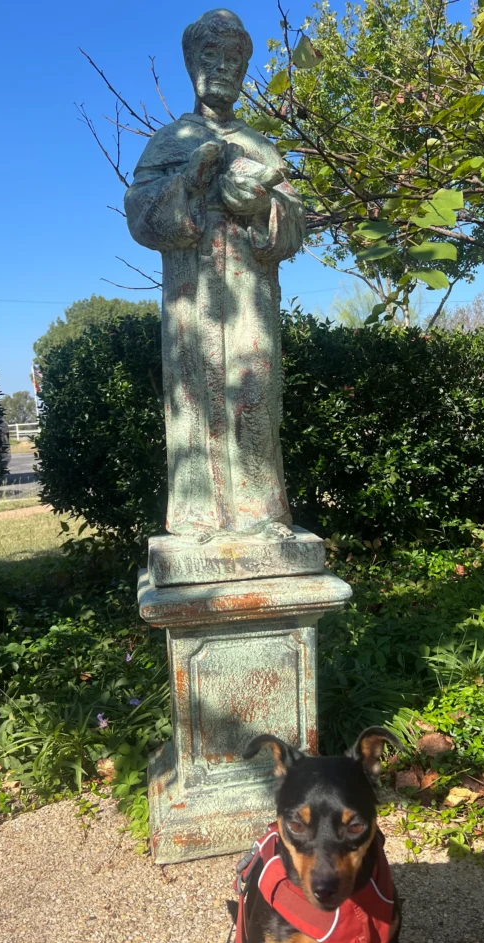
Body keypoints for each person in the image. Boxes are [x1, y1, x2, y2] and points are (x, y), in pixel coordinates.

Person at [125, 9, 305, 544]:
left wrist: (262, 207)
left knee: (254, 391)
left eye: (235, 58)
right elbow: (141, 215)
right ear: (190, 63)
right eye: (212, 56)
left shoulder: (261, 145)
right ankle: (198, 516)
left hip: (251, 299)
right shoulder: (170, 139)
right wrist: (190, 179)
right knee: (194, 395)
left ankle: (261, 513)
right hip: (192, 299)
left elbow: (294, 225)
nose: (224, 68)